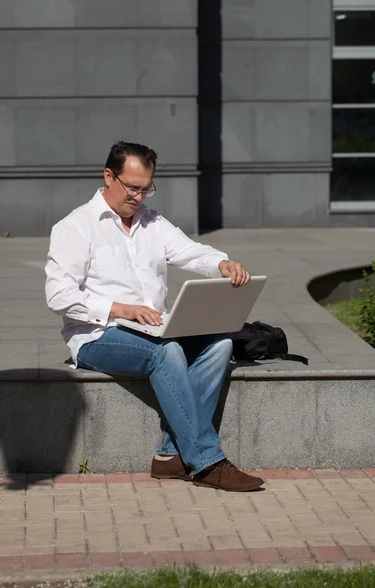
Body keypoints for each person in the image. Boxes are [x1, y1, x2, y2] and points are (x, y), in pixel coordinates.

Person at [45, 141, 264, 492]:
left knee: (220, 345)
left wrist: (221, 263)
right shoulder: (76, 226)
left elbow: (190, 252)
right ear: (108, 176)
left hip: (155, 329)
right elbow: (59, 296)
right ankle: (208, 461)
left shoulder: (153, 223)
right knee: (166, 353)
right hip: (96, 336)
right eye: (132, 187)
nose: (139, 197)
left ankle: (168, 457)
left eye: (147, 189)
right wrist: (121, 308)